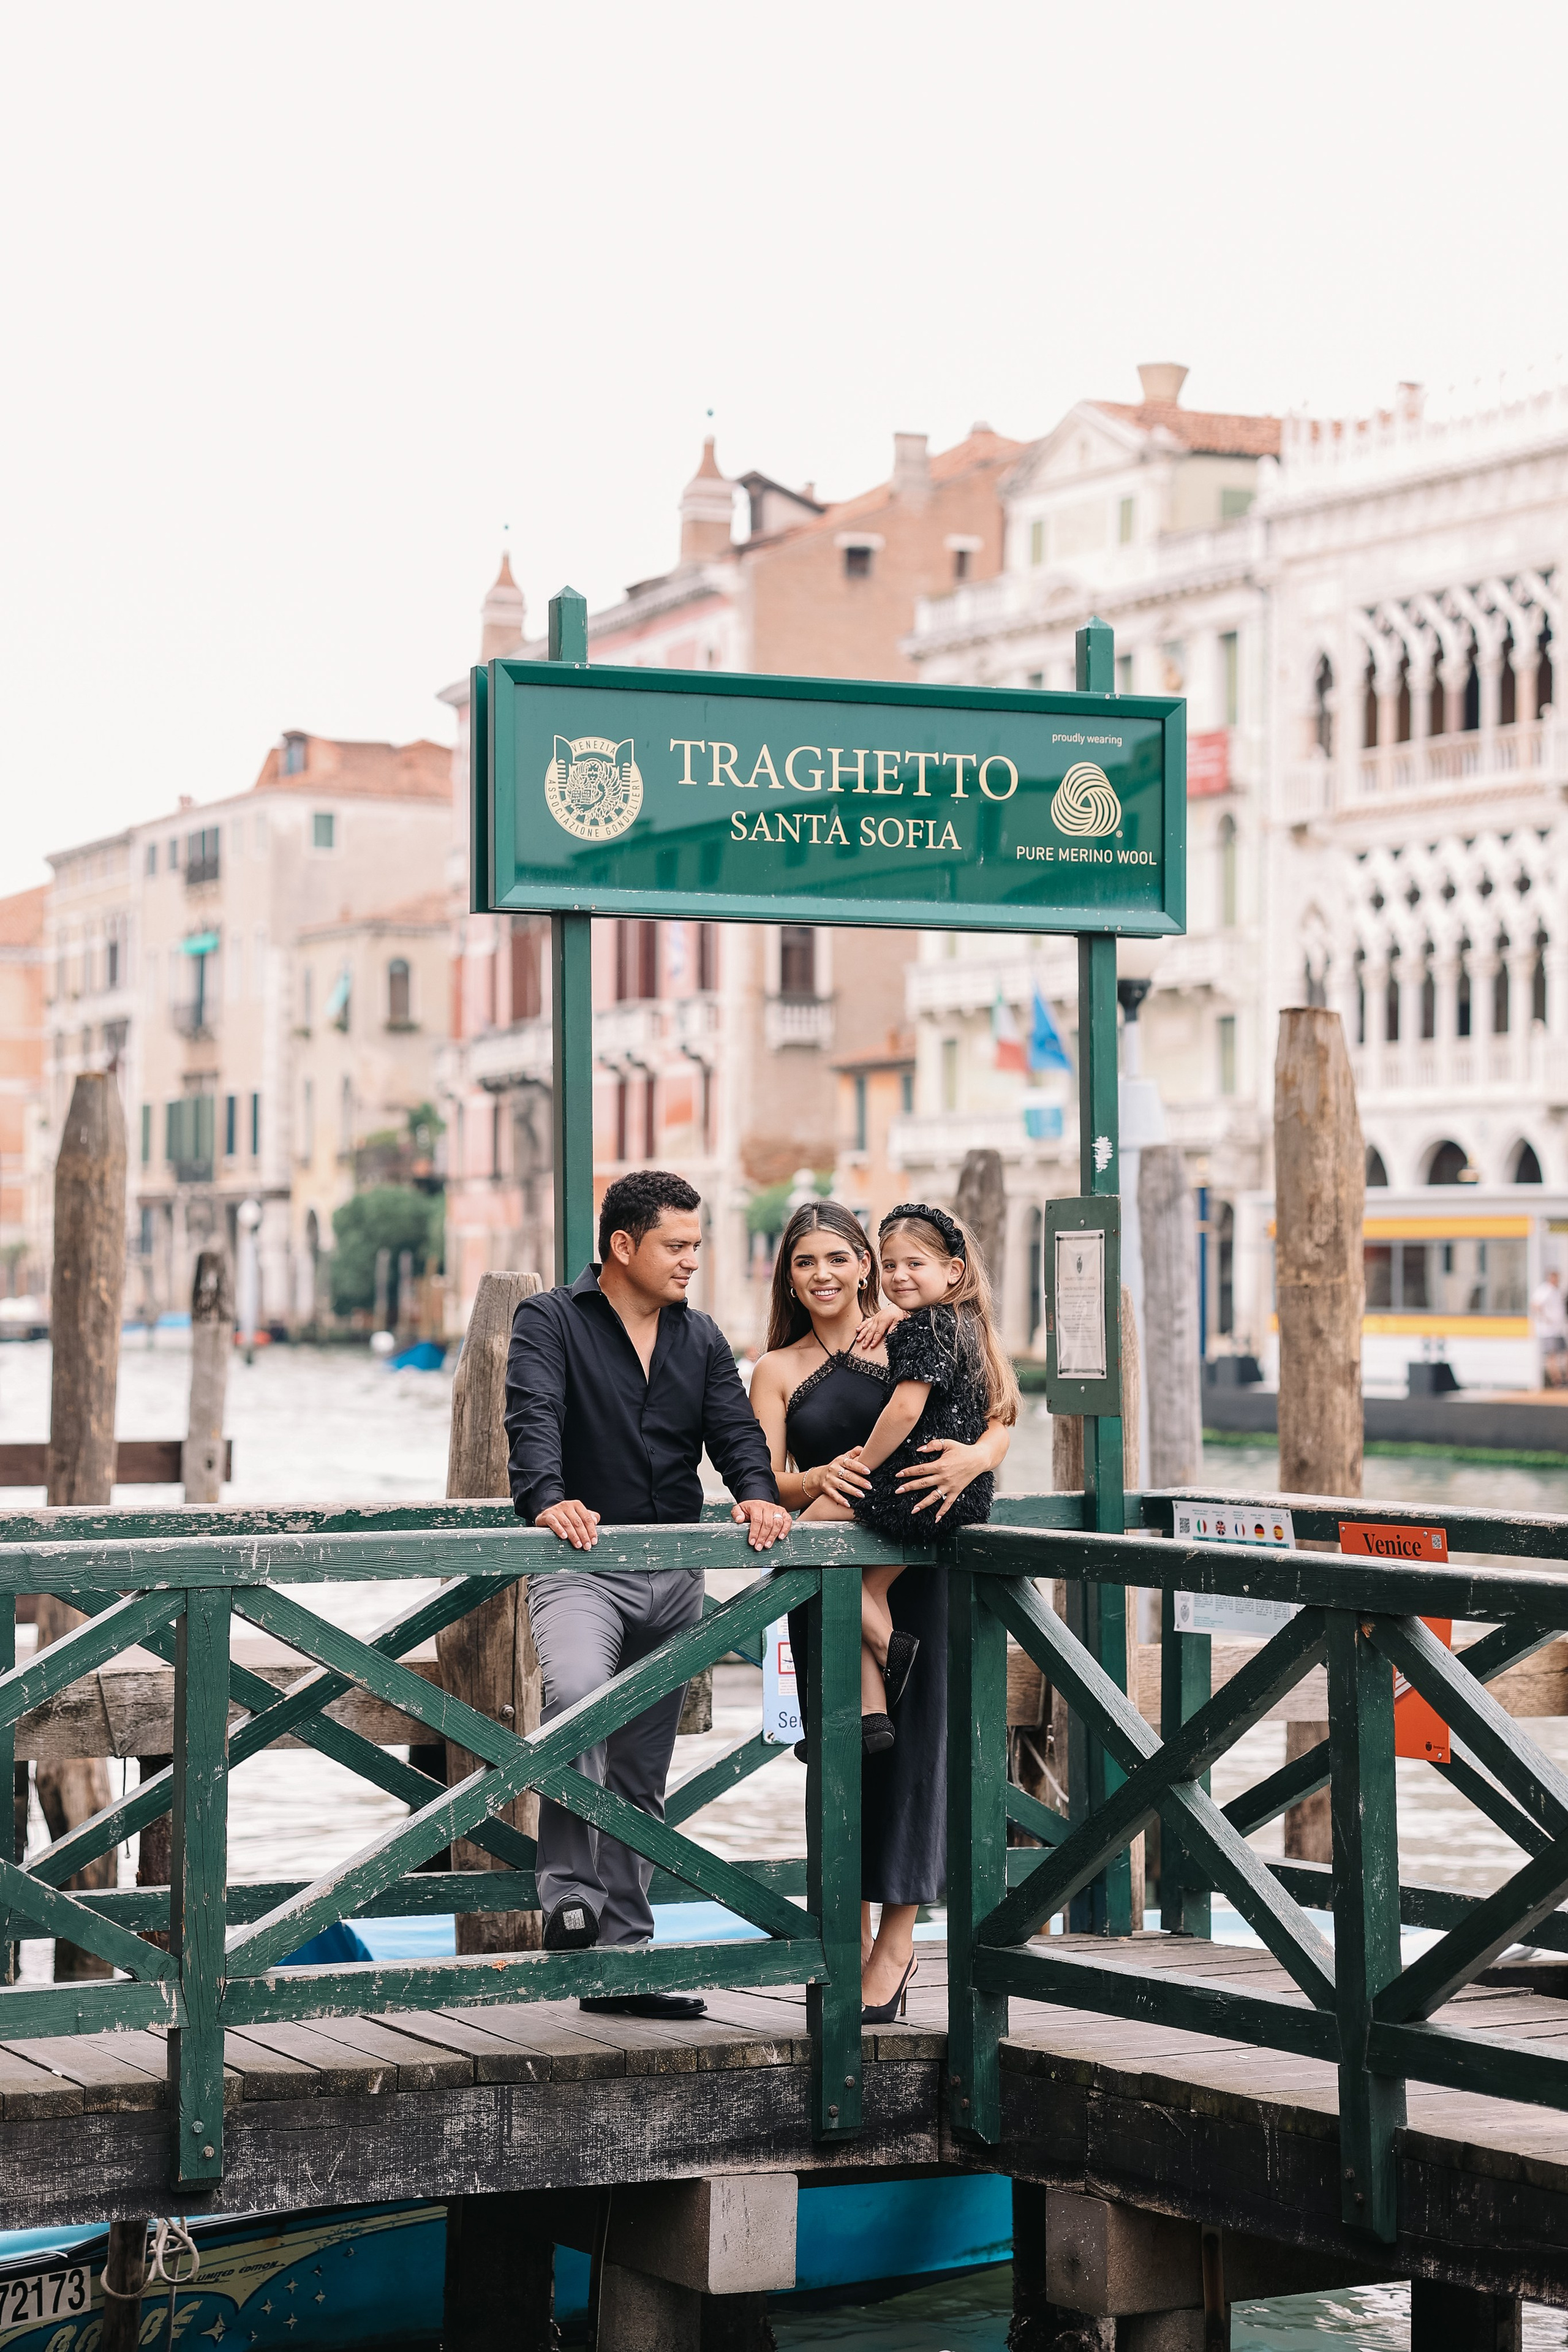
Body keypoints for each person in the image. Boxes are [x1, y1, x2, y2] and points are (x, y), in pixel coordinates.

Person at [505, 1169, 791, 2019]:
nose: (692, 1260)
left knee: (640, 1776)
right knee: (577, 1700)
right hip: (581, 1567)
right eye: (678, 1244)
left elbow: (735, 1430)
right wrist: (545, 1493)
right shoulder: (548, 1319)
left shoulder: (699, 1337)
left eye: (697, 1244)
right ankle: (567, 1895)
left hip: (675, 1579)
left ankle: (627, 1961)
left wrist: (759, 1489)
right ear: (623, 1246)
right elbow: (532, 1414)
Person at [748, 1198, 1012, 2021]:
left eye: (839, 1259)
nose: (823, 1276)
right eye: (804, 1262)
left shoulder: (913, 1329)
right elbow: (764, 1484)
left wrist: (974, 1458)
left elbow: (998, 1410)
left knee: (913, 1765)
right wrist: (819, 1480)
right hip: (825, 1578)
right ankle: (845, 1946)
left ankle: (896, 1952)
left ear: (865, 1263)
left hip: (921, 1564)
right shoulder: (776, 1369)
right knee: (845, 1768)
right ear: (788, 1276)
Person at [1532, 1265, 1568, 1389]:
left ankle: (1564, 1380)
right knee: (1551, 1355)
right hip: (1548, 1330)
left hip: (1559, 1329)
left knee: (1564, 1353)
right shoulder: (1544, 1290)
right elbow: (1535, 1305)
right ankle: (1557, 1382)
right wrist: (1546, 1319)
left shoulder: (1558, 1291)